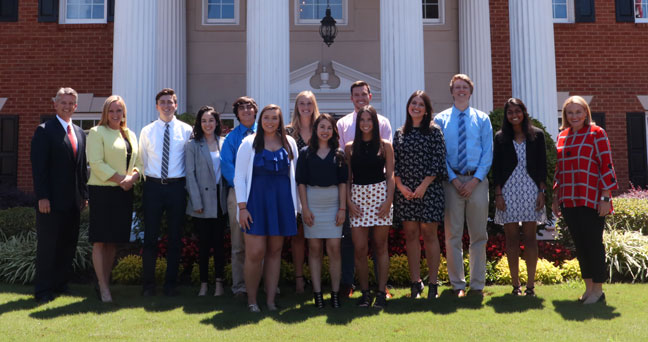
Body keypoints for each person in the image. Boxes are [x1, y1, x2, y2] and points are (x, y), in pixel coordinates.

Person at [234, 104, 299, 312]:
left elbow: (295, 178)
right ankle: (252, 301)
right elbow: (239, 178)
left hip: (281, 203)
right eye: (266, 118)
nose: (270, 122)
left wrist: (296, 207)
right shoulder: (249, 143)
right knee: (255, 252)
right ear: (260, 120)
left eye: (274, 118)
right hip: (255, 204)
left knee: (275, 252)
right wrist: (242, 208)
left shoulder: (289, 143)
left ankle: (270, 301)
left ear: (280, 122)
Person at [552, 95, 617, 305]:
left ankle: (598, 290)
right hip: (569, 199)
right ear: (565, 115)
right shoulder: (562, 136)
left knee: (593, 244)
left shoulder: (597, 133)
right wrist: (555, 197)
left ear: (586, 113)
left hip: (592, 198)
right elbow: (558, 170)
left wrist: (606, 197)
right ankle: (588, 289)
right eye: (570, 113)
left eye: (578, 112)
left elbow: (606, 165)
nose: (574, 116)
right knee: (580, 245)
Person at [433, 74, 493, 298]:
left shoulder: (482, 119)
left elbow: (488, 153)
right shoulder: (440, 120)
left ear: (470, 91)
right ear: (451, 91)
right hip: (452, 183)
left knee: (479, 235)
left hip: (477, 182)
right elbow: (439, 154)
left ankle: (477, 285)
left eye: (464, 87)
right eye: (457, 87)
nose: (461, 91)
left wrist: (475, 180)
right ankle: (457, 285)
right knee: (452, 235)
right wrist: (455, 180)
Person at [30, 87, 89, 303]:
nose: (67, 106)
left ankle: (60, 284)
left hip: (73, 202)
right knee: (48, 247)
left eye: (71, 103)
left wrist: (83, 194)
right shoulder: (44, 130)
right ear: (55, 104)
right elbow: (39, 168)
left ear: (76, 106)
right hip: (51, 202)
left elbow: (81, 168)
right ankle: (43, 290)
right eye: (63, 102)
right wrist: (42, 196)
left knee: (67, 245)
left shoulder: (80, 133)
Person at [337, 80, 392, 298]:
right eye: (356, 95)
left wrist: (388, 199)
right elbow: (346, 172)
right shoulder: (344, 129)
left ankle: (382, 289)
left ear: (370, 96)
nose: (366, 122)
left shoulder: (385, 133)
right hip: (357, 196)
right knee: (355, 246)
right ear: (352, 99)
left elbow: (390, 172)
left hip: (380, 194)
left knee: (380, 247)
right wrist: (348, 201)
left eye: (364, 94)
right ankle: (359, 288)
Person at [86, 95, 142, 303]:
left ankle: (105, 282)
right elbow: (96, 162)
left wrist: (132, 178)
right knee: (100, 240)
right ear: (105, 113)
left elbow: (139, 163)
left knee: (112, 241)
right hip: (103, 191)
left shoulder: (130, 134)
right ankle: (102, 287)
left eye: (119, 111)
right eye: (112, 111)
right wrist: (121, 180)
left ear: (124, 113)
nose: (116, 114)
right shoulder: (96, 132)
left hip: (123, 192)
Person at [139, 88, 193, 296]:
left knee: (174, 237)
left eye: (170, 102)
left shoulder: (186, 130)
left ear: (176, 105)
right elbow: (142, 159)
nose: (167, 105)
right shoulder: (147, 131)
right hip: (153, 187)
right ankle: (148, 286)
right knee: (150, 238)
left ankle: (171, 285)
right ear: (156, 106)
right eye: (163, 102)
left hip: (176, 187)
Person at [393, 91, 447, 300]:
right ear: (408, 107)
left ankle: (433, 283)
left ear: (426, 110)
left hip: (429, 191)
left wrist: (424, 185)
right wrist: (401, 186)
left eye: (420, 104)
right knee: (412, 237)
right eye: (413, 103)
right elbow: (394, 163)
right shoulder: (400, 133)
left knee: (430, 236)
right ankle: (416, 282)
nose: (416, 107)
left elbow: (438, 161)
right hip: (406, 193)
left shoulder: (434, 132)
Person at [493, 98, 547, 297]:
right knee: (512, 239)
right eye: (510, 112)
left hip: (531, 189)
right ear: (506, 116)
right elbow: (496, 168)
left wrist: (542, 191)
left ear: (523, 112)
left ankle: (531, 286)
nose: (514, 115)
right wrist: (498, 194)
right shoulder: (500, 138)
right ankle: (515, 285)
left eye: (517, 111)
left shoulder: (537, 136)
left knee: (531, 238)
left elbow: (543, 165)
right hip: (508, 191)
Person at [296, 114, 347, 308]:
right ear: (316, 129)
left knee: (334, 249)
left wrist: (342, 208)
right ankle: (317, 294)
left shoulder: (339, 154)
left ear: (333, 131)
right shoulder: (305, 153)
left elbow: (343, 183)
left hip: (334, 204)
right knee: (315, 249)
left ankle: (334, 294)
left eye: (329, 128)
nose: (325, 131)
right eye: (322, 127)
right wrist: (305, 209)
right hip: (312, 203)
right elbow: (300, 182)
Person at [185, 106, 228, 297]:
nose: (208, 124)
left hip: (220, 200)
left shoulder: (224, 143)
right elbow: (190, 175)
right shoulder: (193, 145)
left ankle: (219, 283)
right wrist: (196, 202)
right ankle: (203, 283)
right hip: (201, 201)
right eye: (204, 121)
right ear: (199, 124)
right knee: (203, 245)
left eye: (211, 120)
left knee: (219, 245)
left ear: (217, 122)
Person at [221, 96, 258, 297]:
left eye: (249, 107)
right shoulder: (232, 138)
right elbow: (227, 166)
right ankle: (240, 287)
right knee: (238, 244)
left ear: (255, 111)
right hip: (238, 194)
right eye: (242, 108)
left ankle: (265, 284)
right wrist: (243, 186)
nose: (246, 111)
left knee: (264, 240)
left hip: (262, 193)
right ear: (237, 114)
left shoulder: (266, 133)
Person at [286, 90, 320, 293]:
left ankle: (317, 278)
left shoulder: (322, 129)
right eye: (301, 104)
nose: (305, 108)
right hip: (295, 190)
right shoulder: (288, 132)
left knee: (317, 236)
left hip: (318, 189)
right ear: (297, 107)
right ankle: (299, 279)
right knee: (298, 236)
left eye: (309, 104)